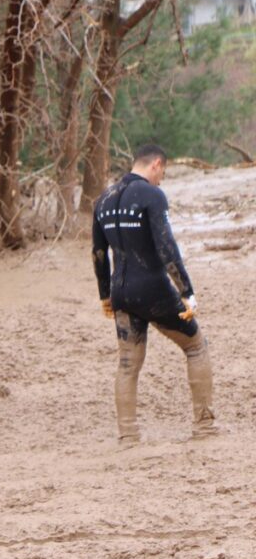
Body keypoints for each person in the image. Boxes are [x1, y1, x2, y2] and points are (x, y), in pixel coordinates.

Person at [92, 144, 217, 443]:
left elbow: (98, 253)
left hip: (121, 291)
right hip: (153, 289)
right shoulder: (152, 195)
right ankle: (204, 427)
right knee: (196, 347)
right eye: (163, 173)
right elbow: (166, 247)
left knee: (127, 364)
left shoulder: (103, 200)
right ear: (156, 164)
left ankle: (128, 436)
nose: (161, 180)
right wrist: (186, 291)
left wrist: (105, 295)